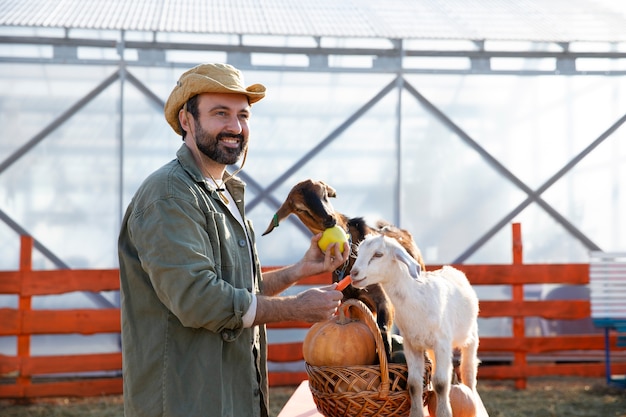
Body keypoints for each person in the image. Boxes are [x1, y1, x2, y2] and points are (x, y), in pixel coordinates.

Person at [117, 63, 348, 417]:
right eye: (220, 113)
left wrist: (298, 270)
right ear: (186, 120)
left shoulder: (222, 193)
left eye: (243, 115)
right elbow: (199, 299)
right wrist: (295, 308)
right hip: (186, 402)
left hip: (230, 397)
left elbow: (236, 290)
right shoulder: (169, 195)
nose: (235, 127)